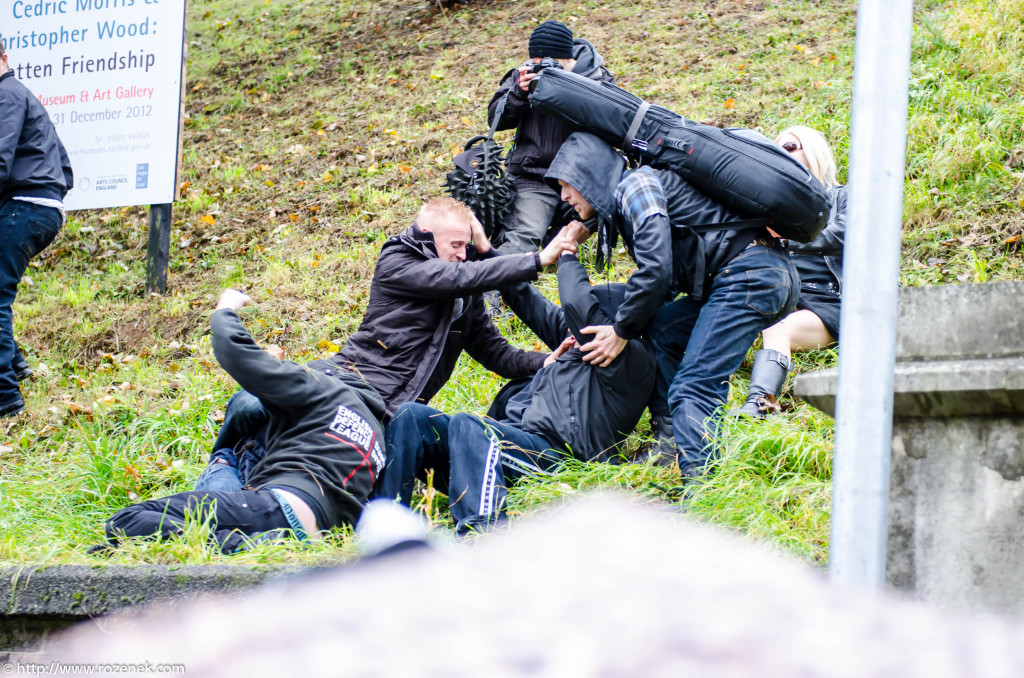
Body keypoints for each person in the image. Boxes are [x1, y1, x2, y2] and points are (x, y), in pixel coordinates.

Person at [195, 197, 577, 492]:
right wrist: (538, 259)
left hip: (386, 410)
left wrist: (544, 363)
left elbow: (497, 352)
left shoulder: (465, 296)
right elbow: (450, 277)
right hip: (346, 380)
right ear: (428, 238)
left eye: (467, 247)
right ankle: (224, 464)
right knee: (249, 402)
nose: (463, 254)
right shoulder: (398, 260)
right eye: (456, 245)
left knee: (273, 449)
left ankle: (236, 476)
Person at [545, 132, 799, 479]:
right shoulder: (631, 195)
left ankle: (703, 492)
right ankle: (670, 442)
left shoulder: (635, 185)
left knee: (694, 386)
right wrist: (627, 322)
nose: (563, 196)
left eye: (566, 184)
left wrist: (621, 331)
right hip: (764, 273)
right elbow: (664, 281)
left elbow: (657, 269)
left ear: (586, 173)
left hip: (748, 276)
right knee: (664, 328)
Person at [373, 239, 656, 531]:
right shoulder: (574, 344)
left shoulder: (631, 360)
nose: (569, 324)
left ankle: (481, 529)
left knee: (471, 425)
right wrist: (483, 251)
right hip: (499, 449)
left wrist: (568, 255)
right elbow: (526, 299)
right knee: (411, 416)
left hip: (553, 457)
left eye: (584, 317)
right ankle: (384, 520)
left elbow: (575, 303)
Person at [103, 289, 388, 553]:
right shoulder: (376, 432)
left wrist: (226, 307)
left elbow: (238, 352)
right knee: (110, 548)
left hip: (278, 506)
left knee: (127, 520)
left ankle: (245, 546)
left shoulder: (319, 386)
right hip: (323, 533)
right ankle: (259, 544)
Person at [481, 20, 614, 315]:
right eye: (536, 61)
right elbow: (495, 120)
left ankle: (562, 238)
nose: (542, 66)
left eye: (549, 61)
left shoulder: (596, 77)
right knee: (523, 236)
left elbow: (614, 123)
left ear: (568, 58)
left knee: (612, 207)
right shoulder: (524, 74)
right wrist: (518, 91)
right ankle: (486, 302)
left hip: (579, 179)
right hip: (534, 176)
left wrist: (571, 88)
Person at [734, 126, 847, 418]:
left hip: (829, 300)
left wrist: (787, 238)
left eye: (789, 147)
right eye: (776, 151)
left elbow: (844, 234)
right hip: (783, 295)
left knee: (778, 328)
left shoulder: (842, 198)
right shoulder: (772, 211)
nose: (781, 155)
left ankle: (761, 404)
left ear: (813, 150)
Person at [0, 40, 73, 417]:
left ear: (4, 57)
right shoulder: (23, 94)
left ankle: (6, 401)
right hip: (43, 207)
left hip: (23, 207)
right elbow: (64, 162)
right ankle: (16, 366)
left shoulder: (6, 95)